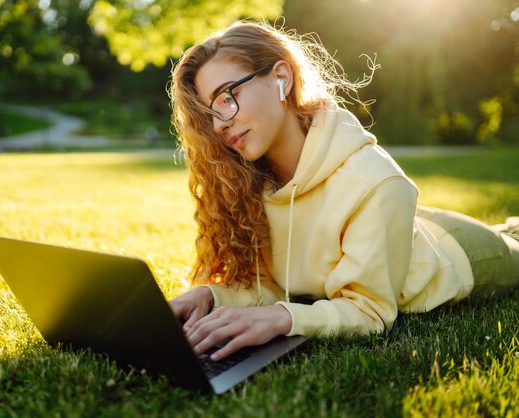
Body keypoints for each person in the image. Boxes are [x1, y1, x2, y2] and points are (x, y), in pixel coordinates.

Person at [167, 21, 519, 362]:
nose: (219, 123)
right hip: (412, 229)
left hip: (465, 255)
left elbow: (370, 311)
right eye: (209, 111)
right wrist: (210, 295)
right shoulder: (251, 178)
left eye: (228, 96)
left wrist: (282, 318)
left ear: (281, 78)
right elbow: (275, 285)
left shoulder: (375, 181)